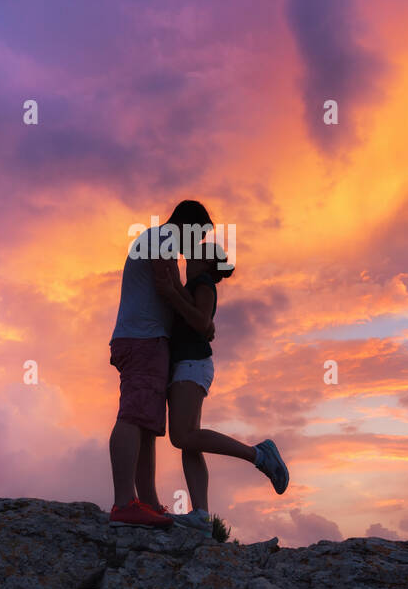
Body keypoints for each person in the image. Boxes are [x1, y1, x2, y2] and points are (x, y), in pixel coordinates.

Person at [164, 239, 288, 536]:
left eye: (195, 254)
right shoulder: (194, 284)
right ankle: (201, 515)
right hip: (189, 365)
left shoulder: (204, 283)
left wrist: (170, 291)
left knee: (183, 436)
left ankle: (258, 455)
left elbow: (201, 321)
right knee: (190, 440)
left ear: (206, 262)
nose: (188, 256)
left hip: (192, 364)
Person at [107, 200, 218, 528]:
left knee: (146, 423)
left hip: (149, 340)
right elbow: (163, 284)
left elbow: (169, 288)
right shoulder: (161, 239)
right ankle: (124, 503)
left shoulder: (158, 240)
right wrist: (202, 322)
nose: (192, 250)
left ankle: (147, 502)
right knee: (132, 416)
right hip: (143, 339)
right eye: (196, 239)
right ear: (188, 227)